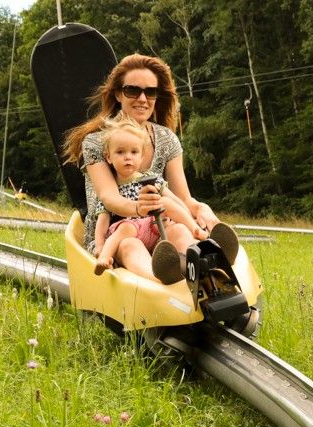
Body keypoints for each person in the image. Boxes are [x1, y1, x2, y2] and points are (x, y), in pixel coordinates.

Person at [63, 53, 239, 282]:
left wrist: (199, 208)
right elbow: (109, 198)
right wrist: (140, 208)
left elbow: (182, 198)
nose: (143, 98)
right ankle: (161, 278)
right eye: (132, 90)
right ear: (118, 94)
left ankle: (204, 267)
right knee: (130, 244)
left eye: (151, 92)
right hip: (114, 234)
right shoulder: (97, 142)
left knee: (179, 231)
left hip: (157, 228)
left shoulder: (166, 140)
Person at [93, 116, 207, 282]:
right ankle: (156, 277)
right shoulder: (110, 191)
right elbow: (102, 221)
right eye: (120, 152)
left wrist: (187, 217)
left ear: (141, 157)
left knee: (174, 219)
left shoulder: (152, 180)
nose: (127, 157)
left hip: (156, 230)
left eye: (134, 152)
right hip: (130, 234)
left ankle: (191, 260)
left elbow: (174, 201)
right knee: (127, 235)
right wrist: (100, 245)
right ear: (108, 157)